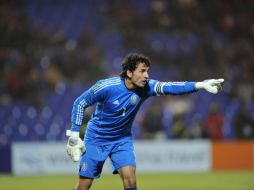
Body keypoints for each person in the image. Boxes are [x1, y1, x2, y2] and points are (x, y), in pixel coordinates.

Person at [66, 53, 224, 190]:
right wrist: (74, 136)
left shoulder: (146, 87)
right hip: (96, 139)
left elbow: (170, 87)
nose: (146, 76)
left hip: (122, 139)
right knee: (84, 186)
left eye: (147, 71)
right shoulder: (106, 87)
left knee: (130, 178)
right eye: (142, 71)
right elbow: (80, 103)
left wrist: (201, 85)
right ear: (129, 72)